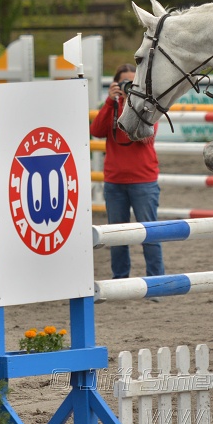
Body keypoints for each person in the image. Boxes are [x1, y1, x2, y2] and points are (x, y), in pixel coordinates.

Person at [89, 64, 165, 285]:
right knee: (117, 237)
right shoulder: (112, 105)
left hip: (143, 181)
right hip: (115, 182)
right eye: (125, 83)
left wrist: (130, 104)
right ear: (116, 85)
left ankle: (156, 282)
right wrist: (111, 102)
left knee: (150, 235)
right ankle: (120, 281)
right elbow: (96, 131)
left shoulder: (148, 107)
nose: (129, 87)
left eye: (133, 82)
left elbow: (144, 137)